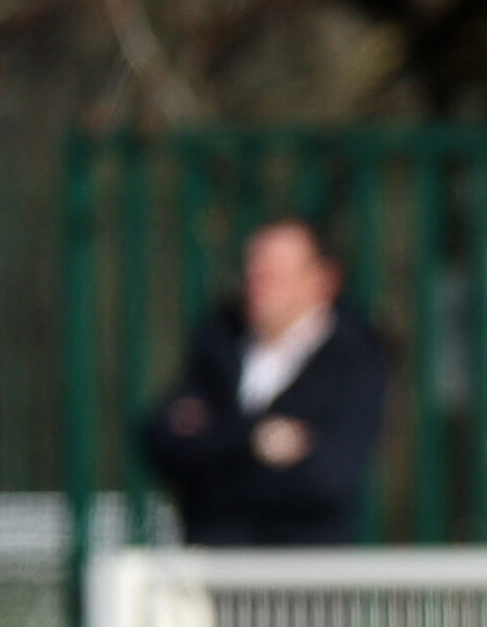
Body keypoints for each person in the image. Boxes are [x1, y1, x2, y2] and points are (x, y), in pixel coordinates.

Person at [142, 218, 390, 545]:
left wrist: (216, 451)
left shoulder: (357, 359)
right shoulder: (218, 341)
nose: (256, 284)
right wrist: (255, 440)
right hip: (211, 561)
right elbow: (163, 441)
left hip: (304, 573)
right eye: (253, 273)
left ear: (323, 280)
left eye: (273, 276)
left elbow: (327, 478)